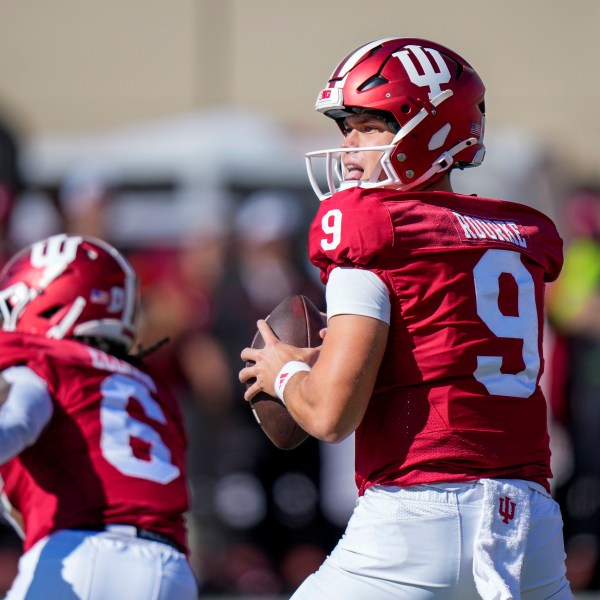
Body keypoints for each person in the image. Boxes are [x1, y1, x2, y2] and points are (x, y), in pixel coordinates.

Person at [239, 37, 572, 599]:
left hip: (419, 514)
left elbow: (329, 415)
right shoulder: (519, 233)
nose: (348, 146)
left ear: (432, 131)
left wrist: (285, 373)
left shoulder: (372, 227)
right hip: (529, 523)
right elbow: (443, 339)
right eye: (346, 126)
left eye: (368, 126)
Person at [0, 233, 198, 599]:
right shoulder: (149, 388)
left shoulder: (46, 361)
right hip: (171, 568)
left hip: (84, 554)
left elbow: (17, 422)